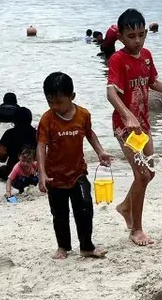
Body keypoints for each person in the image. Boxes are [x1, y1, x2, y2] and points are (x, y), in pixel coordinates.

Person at [106, 8, 162, 247]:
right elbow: (111, 92)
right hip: (125, 128)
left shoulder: (146, 55)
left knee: (149, 174)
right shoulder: (117, 59)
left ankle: (126, 207)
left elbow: (153, 82)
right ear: (121, 38)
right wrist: (126, 115)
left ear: (145, 33)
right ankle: (136, 229)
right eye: (131, 36)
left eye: (140, 35)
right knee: (142, 174)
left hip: (143, 125)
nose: (136, 41)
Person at [38, 71, 112, 259]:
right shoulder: (47, 119)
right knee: (60, 214)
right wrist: (42, 174)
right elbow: (41, 146)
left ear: (72, 97)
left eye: (59, 102)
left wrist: (100, 151)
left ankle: (86, 246)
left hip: (78, 173)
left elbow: (90, 134)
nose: (55, 107)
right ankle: (63, 246)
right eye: (50, 102)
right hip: (55, 177)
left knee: (85, 207)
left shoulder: (83, 115)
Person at [0, 107, 36, 181]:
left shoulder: (8, 134)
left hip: (13, 172)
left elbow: (1, 159)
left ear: (14, 120)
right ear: (30, 120)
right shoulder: (37, 134)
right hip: (33, 172)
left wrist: (1, 148)